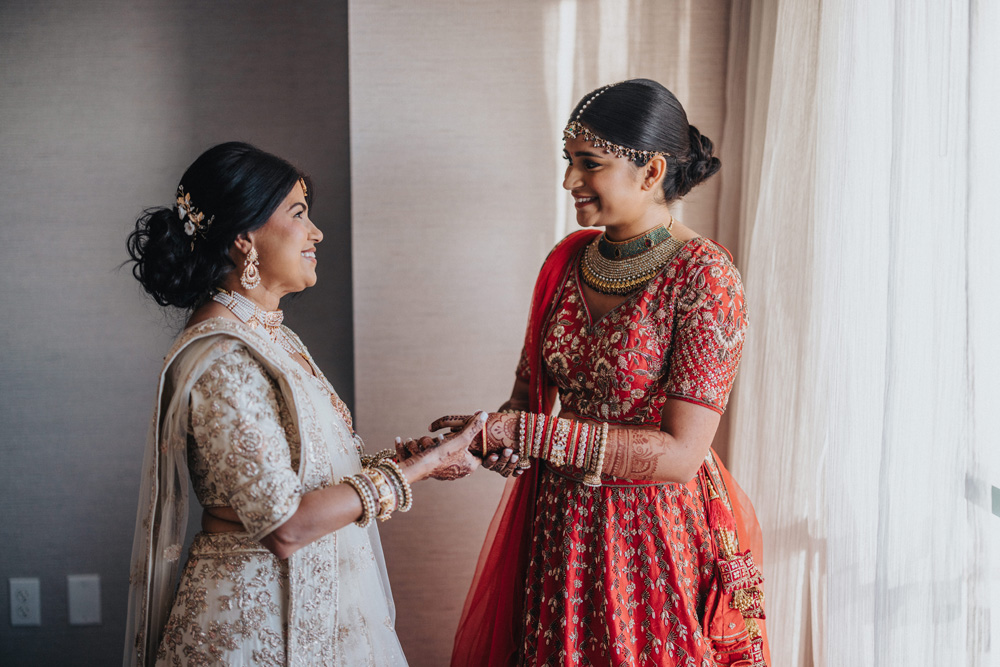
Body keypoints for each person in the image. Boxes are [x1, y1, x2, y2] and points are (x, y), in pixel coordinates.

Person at [444, 80, 770, 666]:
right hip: (559, 524)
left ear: (652, 171)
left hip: (651, 530)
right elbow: (527, 398)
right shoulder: (565, 261)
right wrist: (479, 440)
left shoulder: (704, 277)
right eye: (568, 162)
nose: (570, 181)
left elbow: (681, 454)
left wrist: (524, 435)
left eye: (588, 164)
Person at [123, 141, 484, 666]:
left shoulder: (275, 338)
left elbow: (309, 477)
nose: (316, 232)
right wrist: (419, 471)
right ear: (244, 237)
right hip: (253, 628)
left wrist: (405, 461)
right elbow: (285, 526)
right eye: (298, 213)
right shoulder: (223, 354)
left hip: (315, 610)